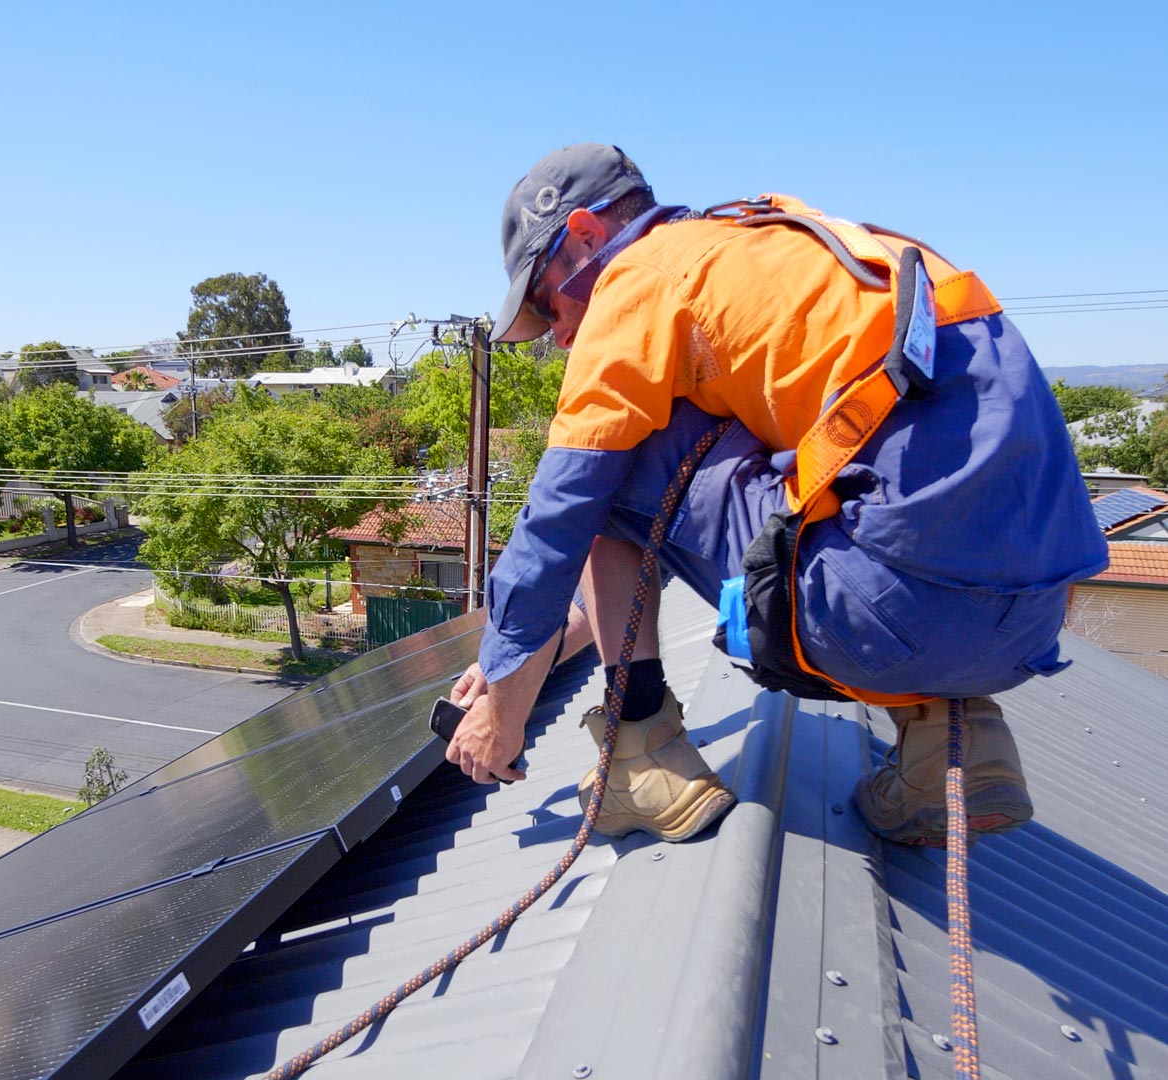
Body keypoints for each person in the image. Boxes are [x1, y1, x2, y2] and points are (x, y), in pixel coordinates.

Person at [444, 143, 1108, 846]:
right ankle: (955, 736)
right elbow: (657, 544)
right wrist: (506, 662)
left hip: (891, 618)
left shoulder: (639, 280)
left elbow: (561, 520)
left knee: (613, 455)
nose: (562, 333)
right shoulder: (773, 254)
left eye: (549, 303)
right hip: (1033, 623)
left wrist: (503, 713)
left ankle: (640, 750)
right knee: (833, 476)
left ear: (586, 233)